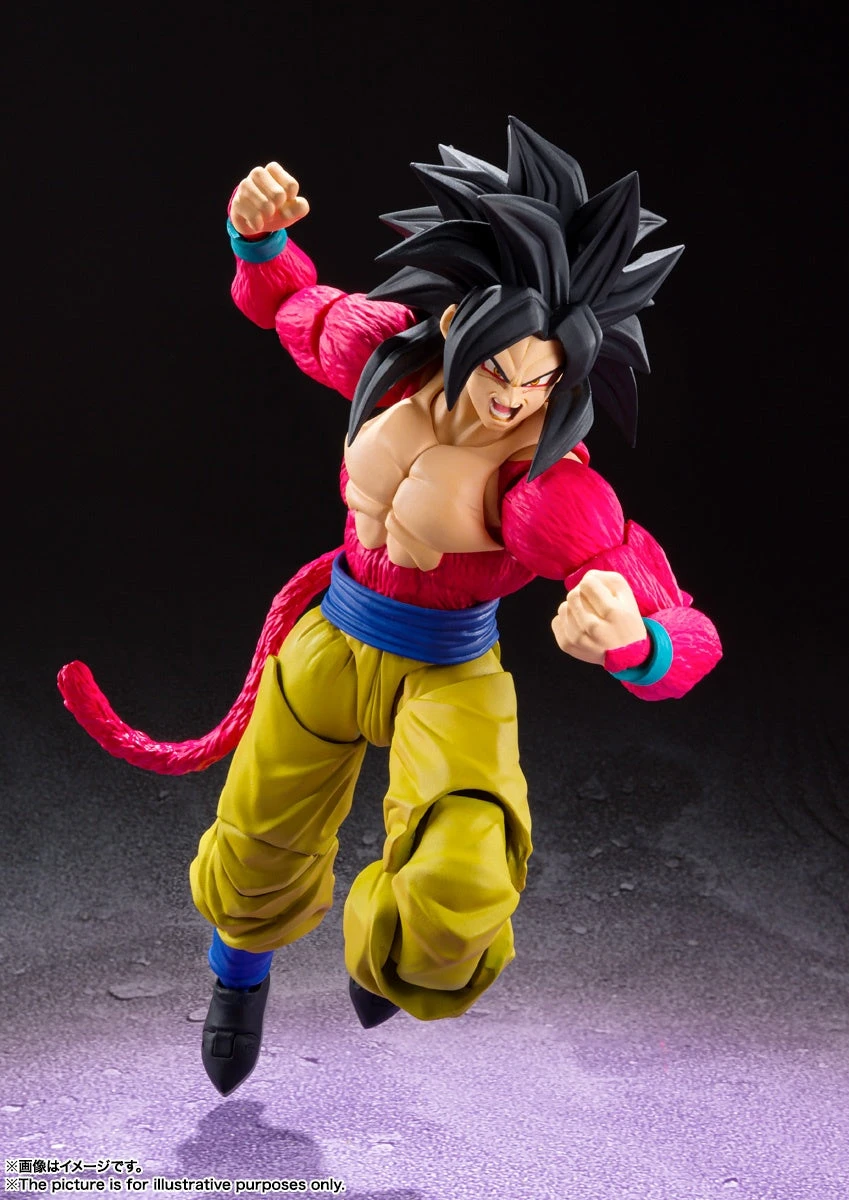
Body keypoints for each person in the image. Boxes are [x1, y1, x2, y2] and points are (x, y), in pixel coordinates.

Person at [57, 118, 722, 1096]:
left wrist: (638, 641)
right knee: (256, 842)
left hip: (449, 672)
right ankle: (237, 979)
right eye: (500, 369)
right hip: (332, 641)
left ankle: (386, 958)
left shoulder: (547, 489)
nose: (514, 401)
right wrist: (257, 238)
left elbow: (675, 617)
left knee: (464, 878)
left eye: (543, 380)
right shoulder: (386, 363)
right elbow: (292, 306)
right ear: (456, 326)